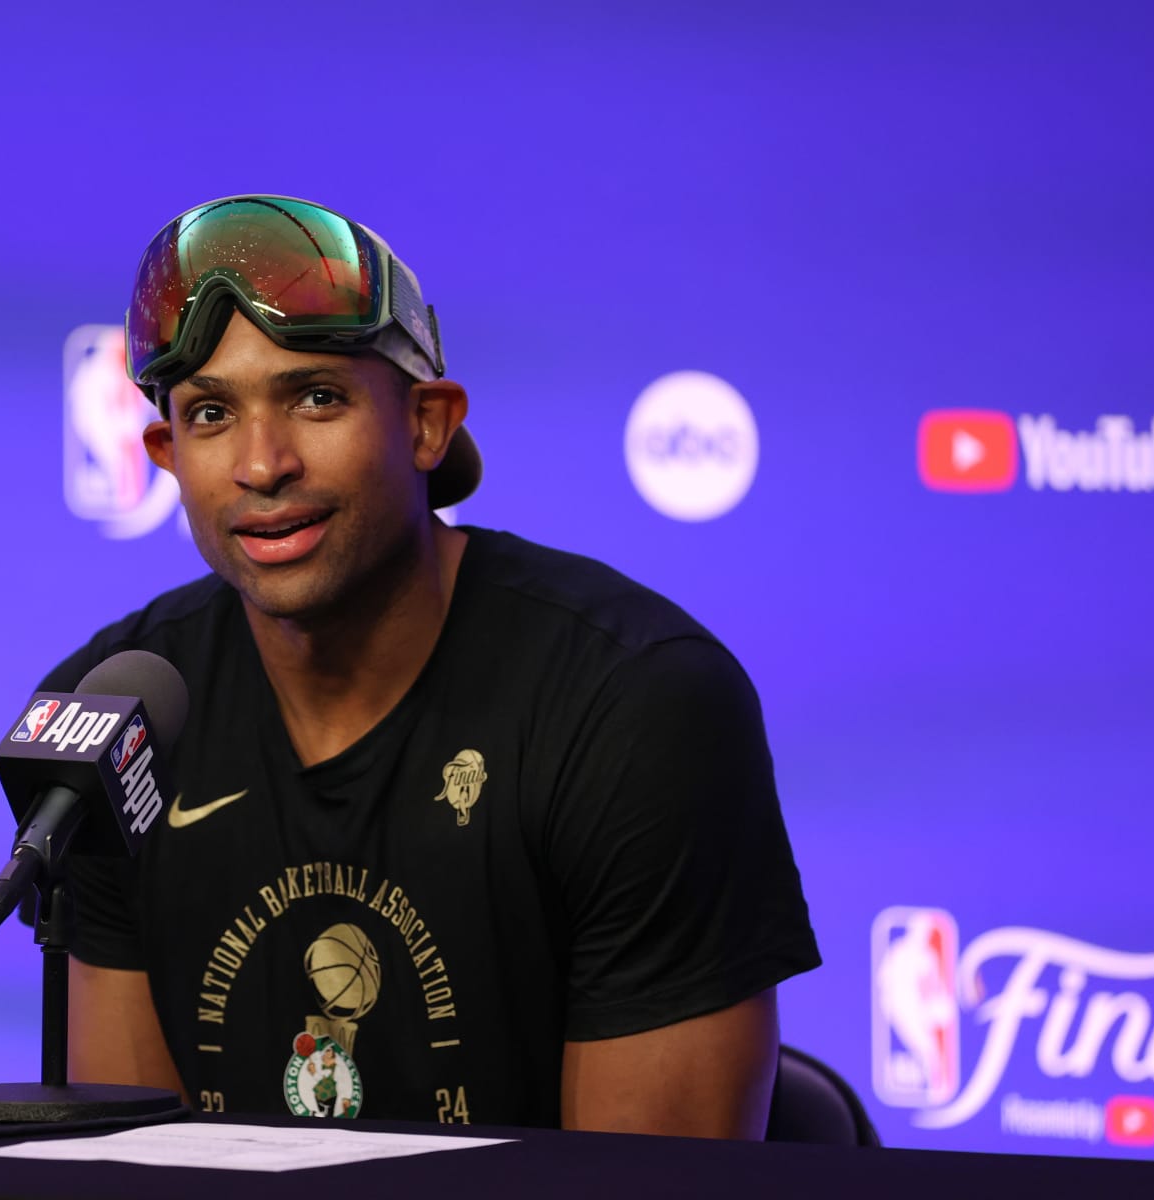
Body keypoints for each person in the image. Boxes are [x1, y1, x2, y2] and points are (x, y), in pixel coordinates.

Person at [45, 195, 821, 1135]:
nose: (261, 464)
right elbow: (132, 1162)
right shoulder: (120, 707)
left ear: (427, 424)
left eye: (316, 396)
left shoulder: (638, 707)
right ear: (168, 455)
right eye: (211, 414)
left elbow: (646, 1191)